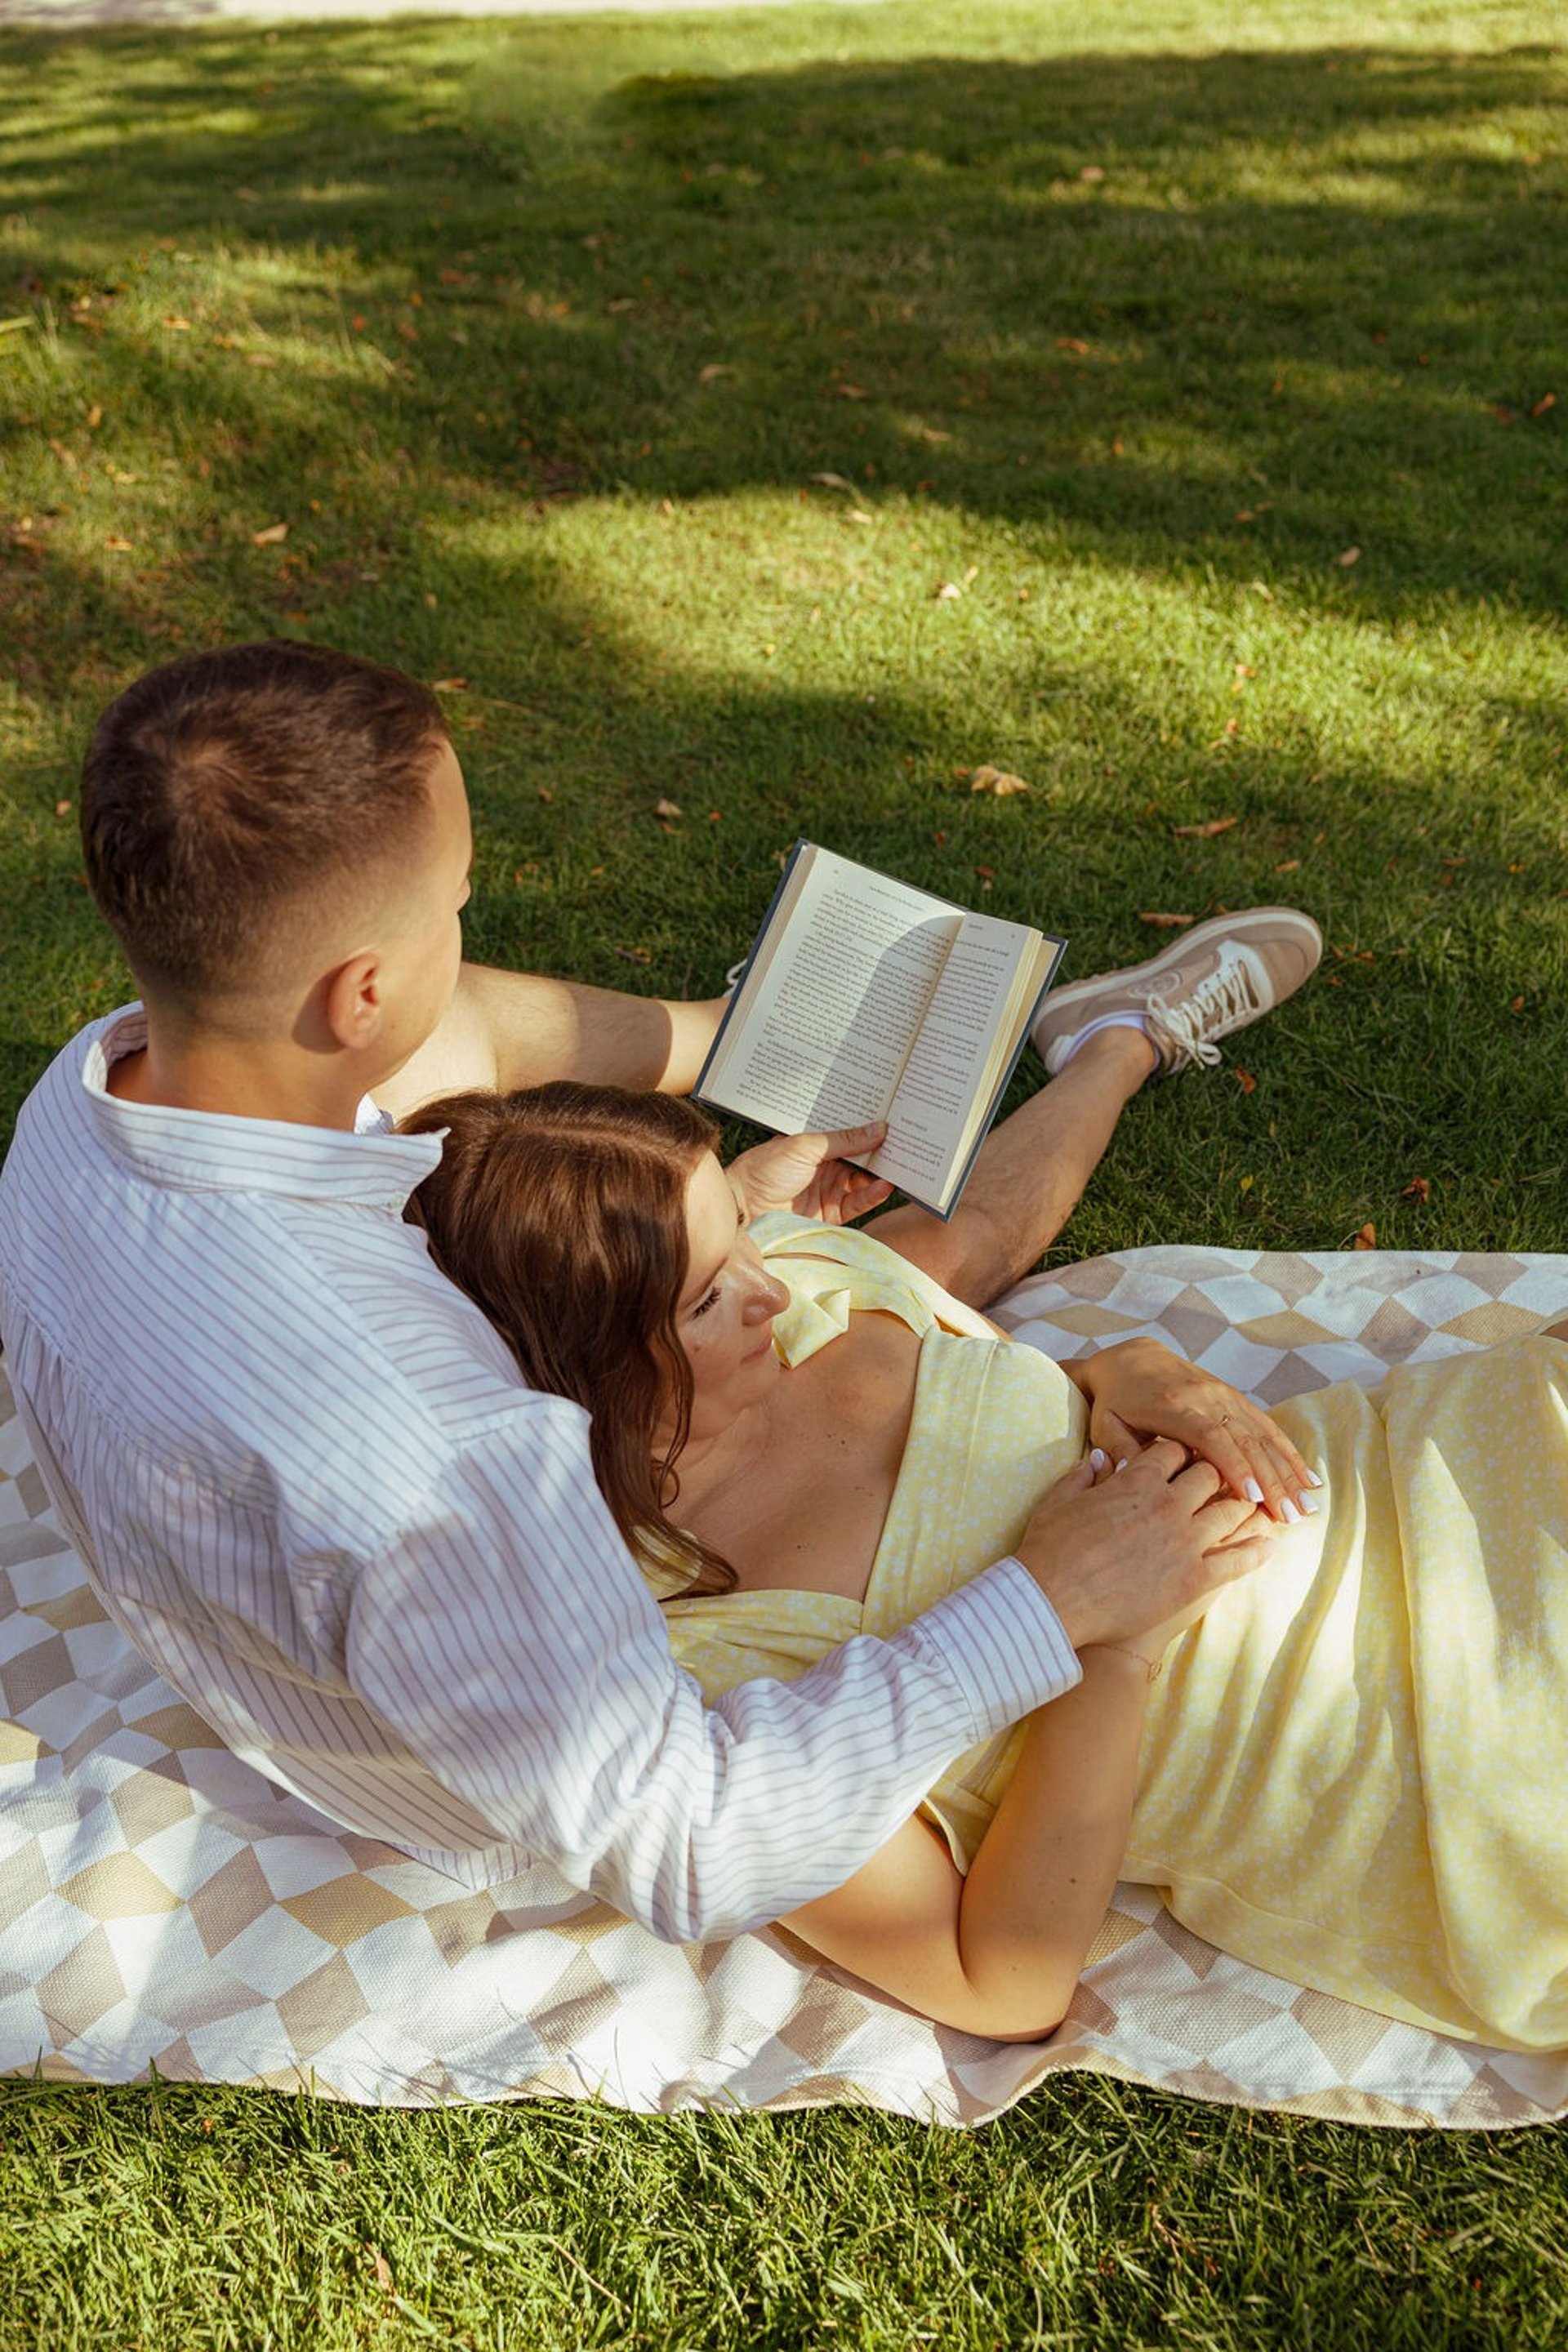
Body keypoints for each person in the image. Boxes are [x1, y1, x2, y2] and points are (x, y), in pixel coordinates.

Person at [0, 639, 1313, 1946]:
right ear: (363, 993)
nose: (465, 924)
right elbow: (693, 1842)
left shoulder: (94, 1089)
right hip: (471, 1742)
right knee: (913, 1283)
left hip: (339, 1512)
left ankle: (1107, 1044)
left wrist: (714, 1109)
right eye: (454, 905)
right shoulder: (449, 1457)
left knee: (903, 1273)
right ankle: (1114, 1044)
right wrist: (1056, 1606)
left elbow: (450, 1032)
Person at [404, 1081, 1568, 2054]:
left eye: (743, 1232)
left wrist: (1129, 1366)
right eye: (709, 1295)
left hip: (1416, 1469)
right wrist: (1110, 1646)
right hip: (1416, 1748)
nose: (770, 1282)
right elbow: (1000, 1982)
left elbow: (1019, 1328)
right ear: (585, 1375)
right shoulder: (688, 1670)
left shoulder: (811, 1284)